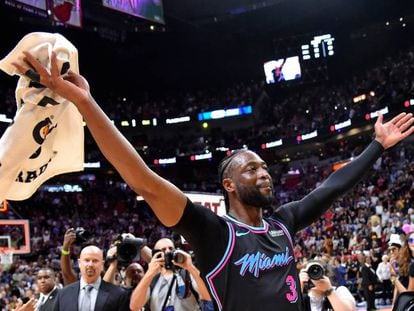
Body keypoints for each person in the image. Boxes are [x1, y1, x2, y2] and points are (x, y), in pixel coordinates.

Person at [14, 51, 414, 311]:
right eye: (251, 168)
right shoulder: (214, 233)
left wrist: (376, 146)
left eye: (264, 166)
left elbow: (333, 187)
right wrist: (85, 103)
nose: (264, 172)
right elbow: (145, 181)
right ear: (228, 185)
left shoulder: (283, 223)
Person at [130, 237, 212, 311]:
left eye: (170, 248)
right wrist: (150, 273)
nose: (168, 251)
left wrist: (190, 267)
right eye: (163, 250)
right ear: (156, 255)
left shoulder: (187, 274)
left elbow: (208, 296)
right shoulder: (152, 280)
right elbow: (135, 306)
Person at [53, 245, 129, 311]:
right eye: (87, 260)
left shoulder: (119, 295)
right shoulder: (63, 294)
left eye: (95, 261)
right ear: (79, 263)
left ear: (102, 264)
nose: (90, 264)